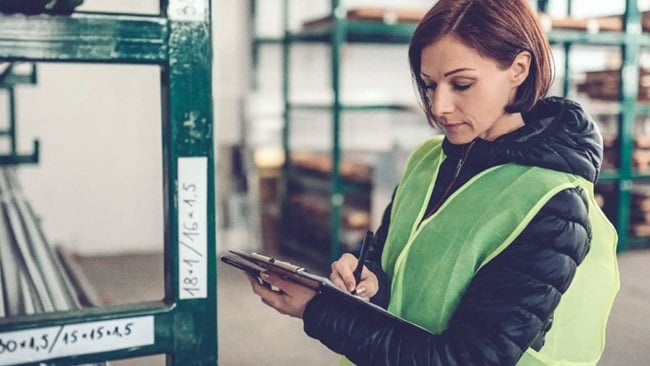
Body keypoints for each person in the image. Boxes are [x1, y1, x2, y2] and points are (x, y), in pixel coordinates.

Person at [246, 0, 620, 364]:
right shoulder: (429, 159)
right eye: (429, 85)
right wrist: (370, 281)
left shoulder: (552, 205)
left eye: (461, 84)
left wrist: (318, 310)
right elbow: (394, 264)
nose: (439, 106)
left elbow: (467, 358)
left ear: (519, 68)